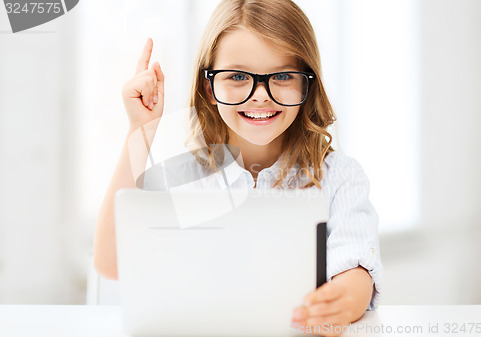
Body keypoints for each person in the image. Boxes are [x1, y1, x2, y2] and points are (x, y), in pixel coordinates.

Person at [94, 0, 382, 335]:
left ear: (308, 85)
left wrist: (341, 301)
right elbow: (110, 262)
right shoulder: (181, 177)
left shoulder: (339, 176)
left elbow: (356, 271)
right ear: (209, 88)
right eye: (238, 76)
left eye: (284, 75)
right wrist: (139, 130)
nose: (260, 96)